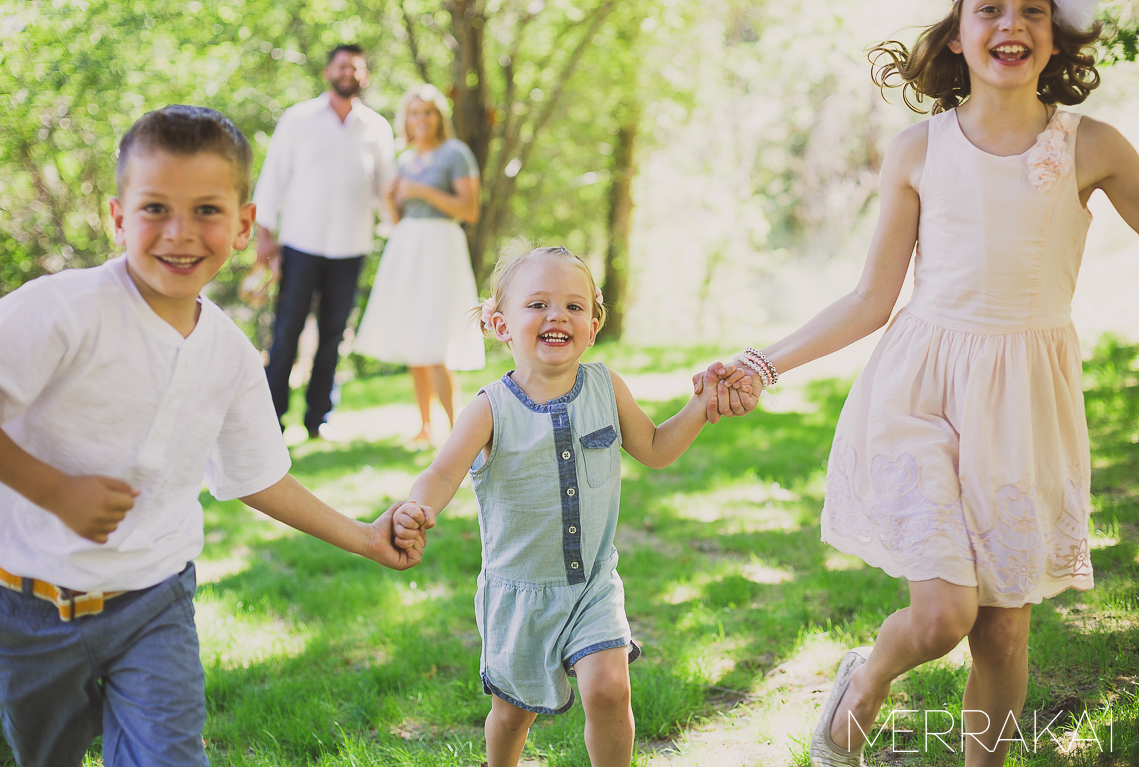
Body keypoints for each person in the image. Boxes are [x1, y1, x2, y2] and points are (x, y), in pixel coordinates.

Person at [701, 1, 1139, 765]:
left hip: (1025, 409)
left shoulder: (1093, 145)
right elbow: (872, 298)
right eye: (989, 9)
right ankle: (866, 680)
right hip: (921, 392)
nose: (1011, 24)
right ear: (957, 33)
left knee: (1002, 631)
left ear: (1056, 33)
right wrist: (763, 362)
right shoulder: (918, 149)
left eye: (1032, 8)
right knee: (942, 617)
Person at [0, 106, 428, 767]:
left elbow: (258, 476)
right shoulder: (64, 312)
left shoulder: (227, 350)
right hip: (28, 606)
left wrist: (366, 536)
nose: (180, 233)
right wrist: (56, 492)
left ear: (245, 224)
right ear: (117, 217)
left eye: (207, 211)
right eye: (156, 208)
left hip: (153, 600)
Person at [389, 245, 750, 767]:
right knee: (513, 715)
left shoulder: (606, 387)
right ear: (499, 324)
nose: (557, 315)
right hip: (520, 594)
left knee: (608, 690)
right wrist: (416, 509)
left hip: (592, 585)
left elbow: (654, 448)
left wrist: (700, 405)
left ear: (593, 325)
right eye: (537, 304)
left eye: (574, 307)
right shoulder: (490, 408)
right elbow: (442, 472)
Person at [252, 43, 396, 438]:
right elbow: (273, 177)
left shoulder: (377, 128)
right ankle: (271, 419)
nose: (348, 72)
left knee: (333, 336)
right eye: (341, 65)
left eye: (355, 67)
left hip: (351, 247)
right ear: (327, 72)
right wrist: (265, 236)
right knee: (287, 332)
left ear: (364, 76)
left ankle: (319, 420)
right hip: (300, 244)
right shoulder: (298, 119)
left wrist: (404, 232)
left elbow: (387, 191)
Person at [352, 84, 485, 449]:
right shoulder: (404, 158)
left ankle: (457, 426)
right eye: (414, 113)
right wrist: (392, 196)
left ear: (438, 117)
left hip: (440, 247)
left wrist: (423, 191)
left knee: (435, 335)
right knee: (415, 336)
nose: (421, 119)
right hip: (407, 247)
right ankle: (425, 426)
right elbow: (395, 217)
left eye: (427, 112)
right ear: (406, 119)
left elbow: (469, 209)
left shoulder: (455, 154)